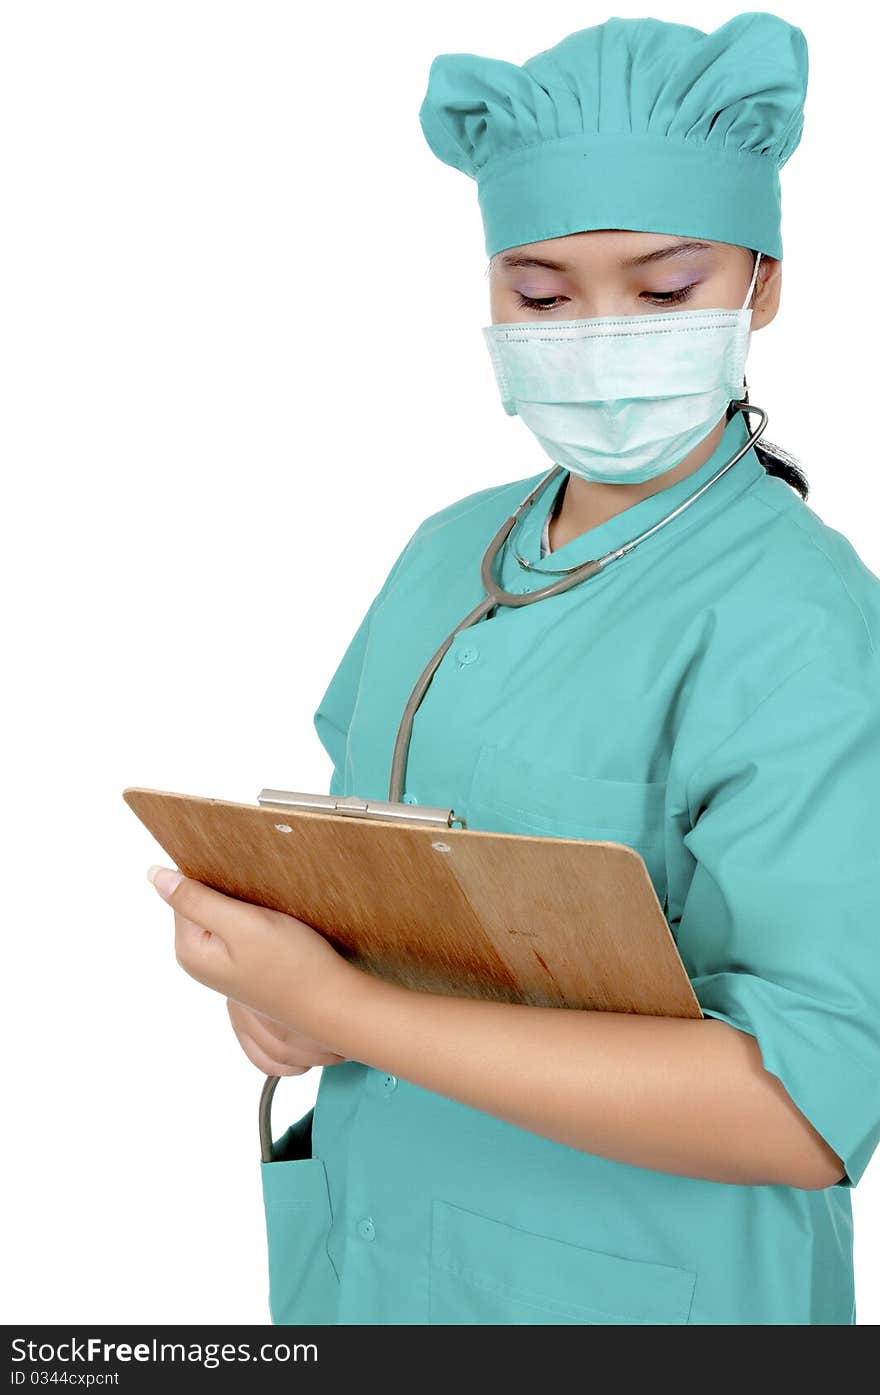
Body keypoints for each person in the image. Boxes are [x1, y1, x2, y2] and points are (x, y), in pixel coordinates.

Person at [149, 12, 880, 1324]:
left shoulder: (799, 622)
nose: (599, 337)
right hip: (385, 1268)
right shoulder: (447, 552)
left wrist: (349, 1012)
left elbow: (806, 1109)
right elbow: (355, 888)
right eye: (541, 296)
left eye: (666, 291)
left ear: (763, 283)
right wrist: (284, 1005)